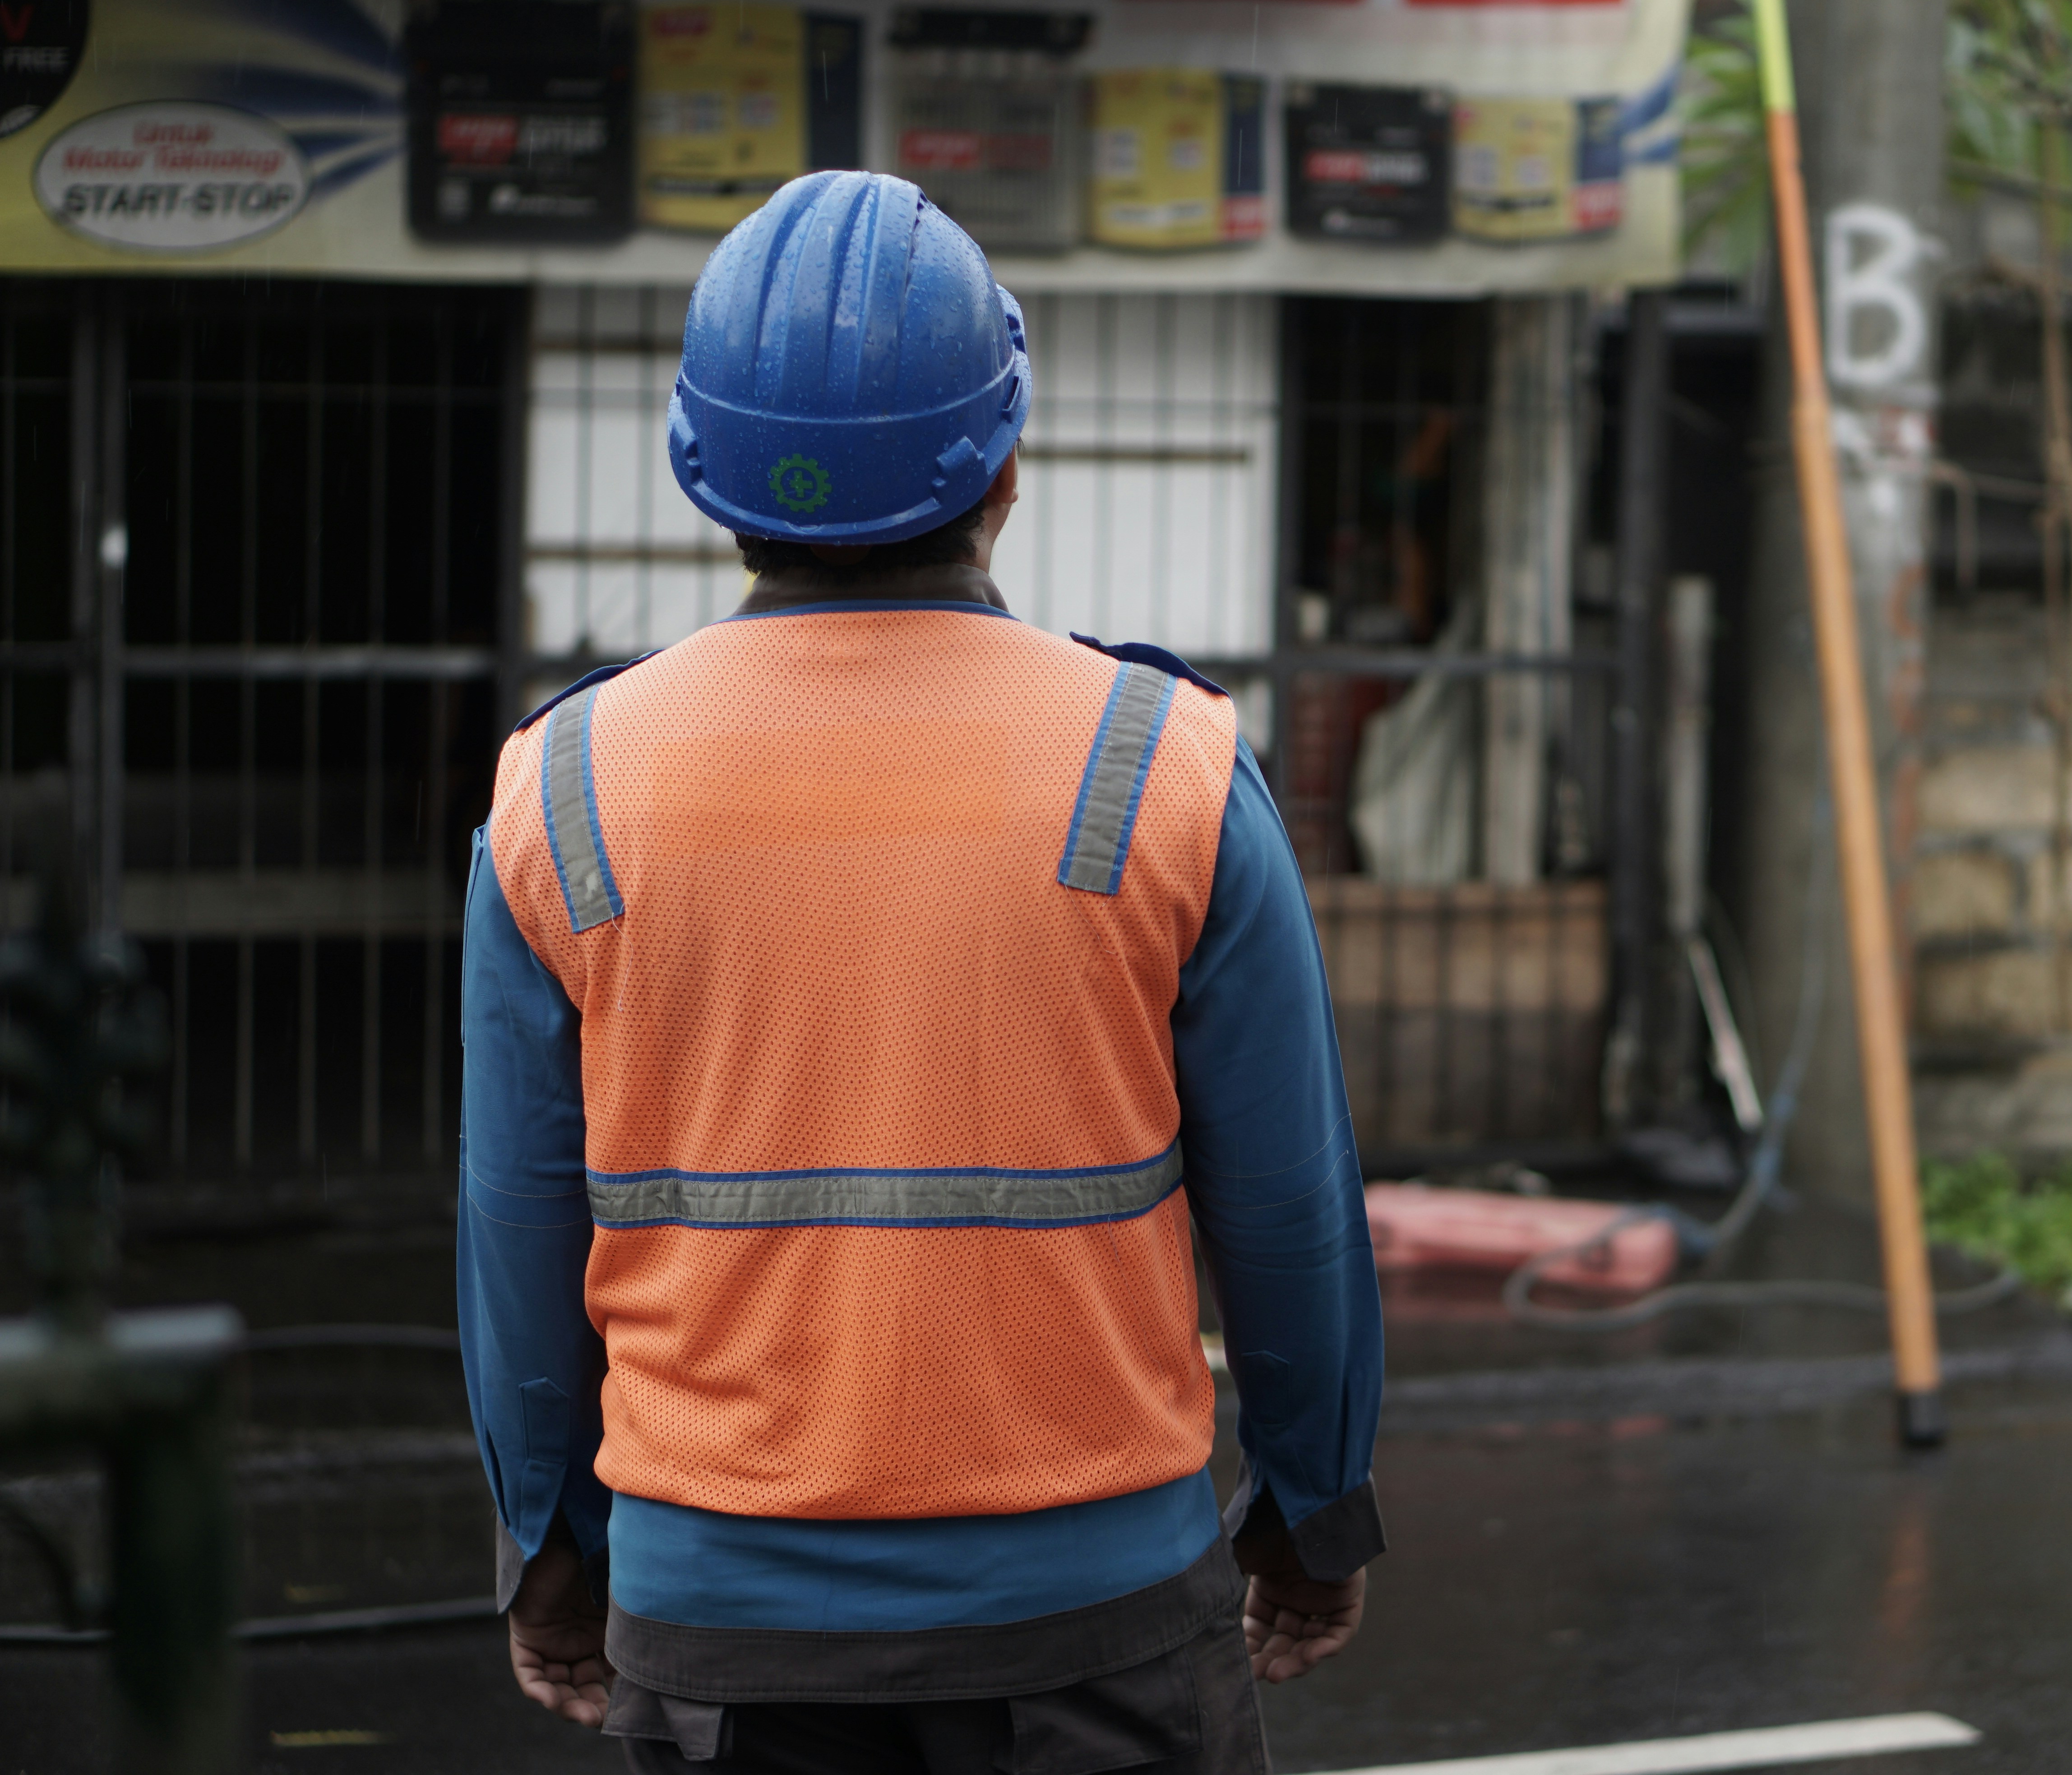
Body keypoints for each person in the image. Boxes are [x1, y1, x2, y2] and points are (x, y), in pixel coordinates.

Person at [458, 170, 1383, 1775]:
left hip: (719, 1623)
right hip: (1099, 1615)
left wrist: (549, 1558)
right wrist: (1314, 1513)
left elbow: (518, 1225)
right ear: (1005, 464)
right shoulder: (1163, 767)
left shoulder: (566, 786)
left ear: (700, 463)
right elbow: (1290, 1205)